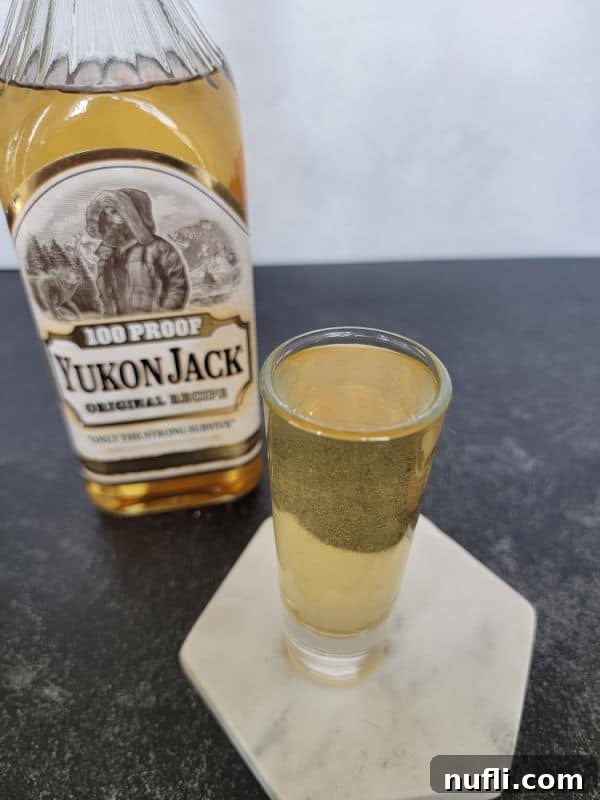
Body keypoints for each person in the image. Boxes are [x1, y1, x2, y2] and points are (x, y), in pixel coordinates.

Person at [86, 188, 189, 316]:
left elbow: (178, 286)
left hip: (155, 326)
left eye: (115, 212)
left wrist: (164, 316)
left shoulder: (159, 248)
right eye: (107, 214)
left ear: (133, 214)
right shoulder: (106, 254)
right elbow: (106, 296)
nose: (111, 219)